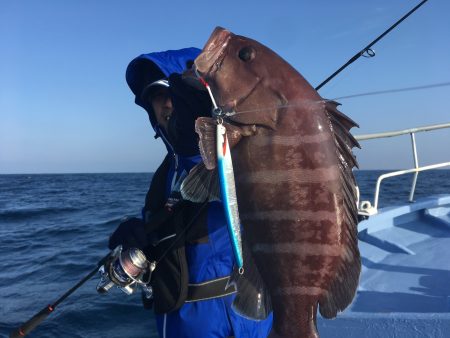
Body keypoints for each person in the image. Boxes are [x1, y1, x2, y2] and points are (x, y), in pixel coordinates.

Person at [108, 48, 273, 338]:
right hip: (178, 322)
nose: (166, 104)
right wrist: (140, 231)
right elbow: (174, 215)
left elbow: (214, 176)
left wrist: (198, 139)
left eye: (175, 93)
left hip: (233, 319)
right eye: (156, 97)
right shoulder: (167, 170)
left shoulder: (236, 156)